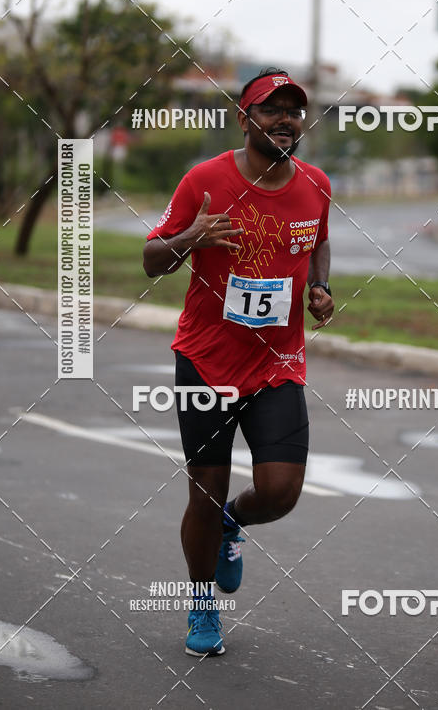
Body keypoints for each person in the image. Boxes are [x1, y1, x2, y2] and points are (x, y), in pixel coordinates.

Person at [143, 68, 334, 656]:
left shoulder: (316, 183)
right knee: (204, 490)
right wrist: (190, 239)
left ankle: (234, 522)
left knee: (280, 491)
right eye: (271, 109)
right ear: (244, 119)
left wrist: (320, 287)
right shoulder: (204, 180)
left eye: (294, 111)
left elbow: (317, 239)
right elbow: (152, 259)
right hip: (206, 361)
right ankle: (203, 606)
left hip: (277, 363)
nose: (285, 120)